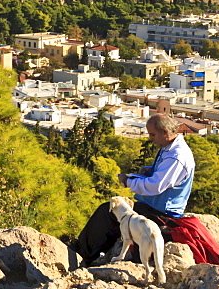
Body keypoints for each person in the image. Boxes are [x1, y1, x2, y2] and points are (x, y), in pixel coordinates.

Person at [73, 113, 195, 266]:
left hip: (161, 212)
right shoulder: (170, 148)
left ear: (164, 131)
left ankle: (82, 253)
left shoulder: (176, 156)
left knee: (110, 212)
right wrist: (151, 170)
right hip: (154, 206)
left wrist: (128, 182)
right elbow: (167, 177)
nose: (151, 138)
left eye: (153, 134)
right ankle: (94, 252)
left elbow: (155, 186)